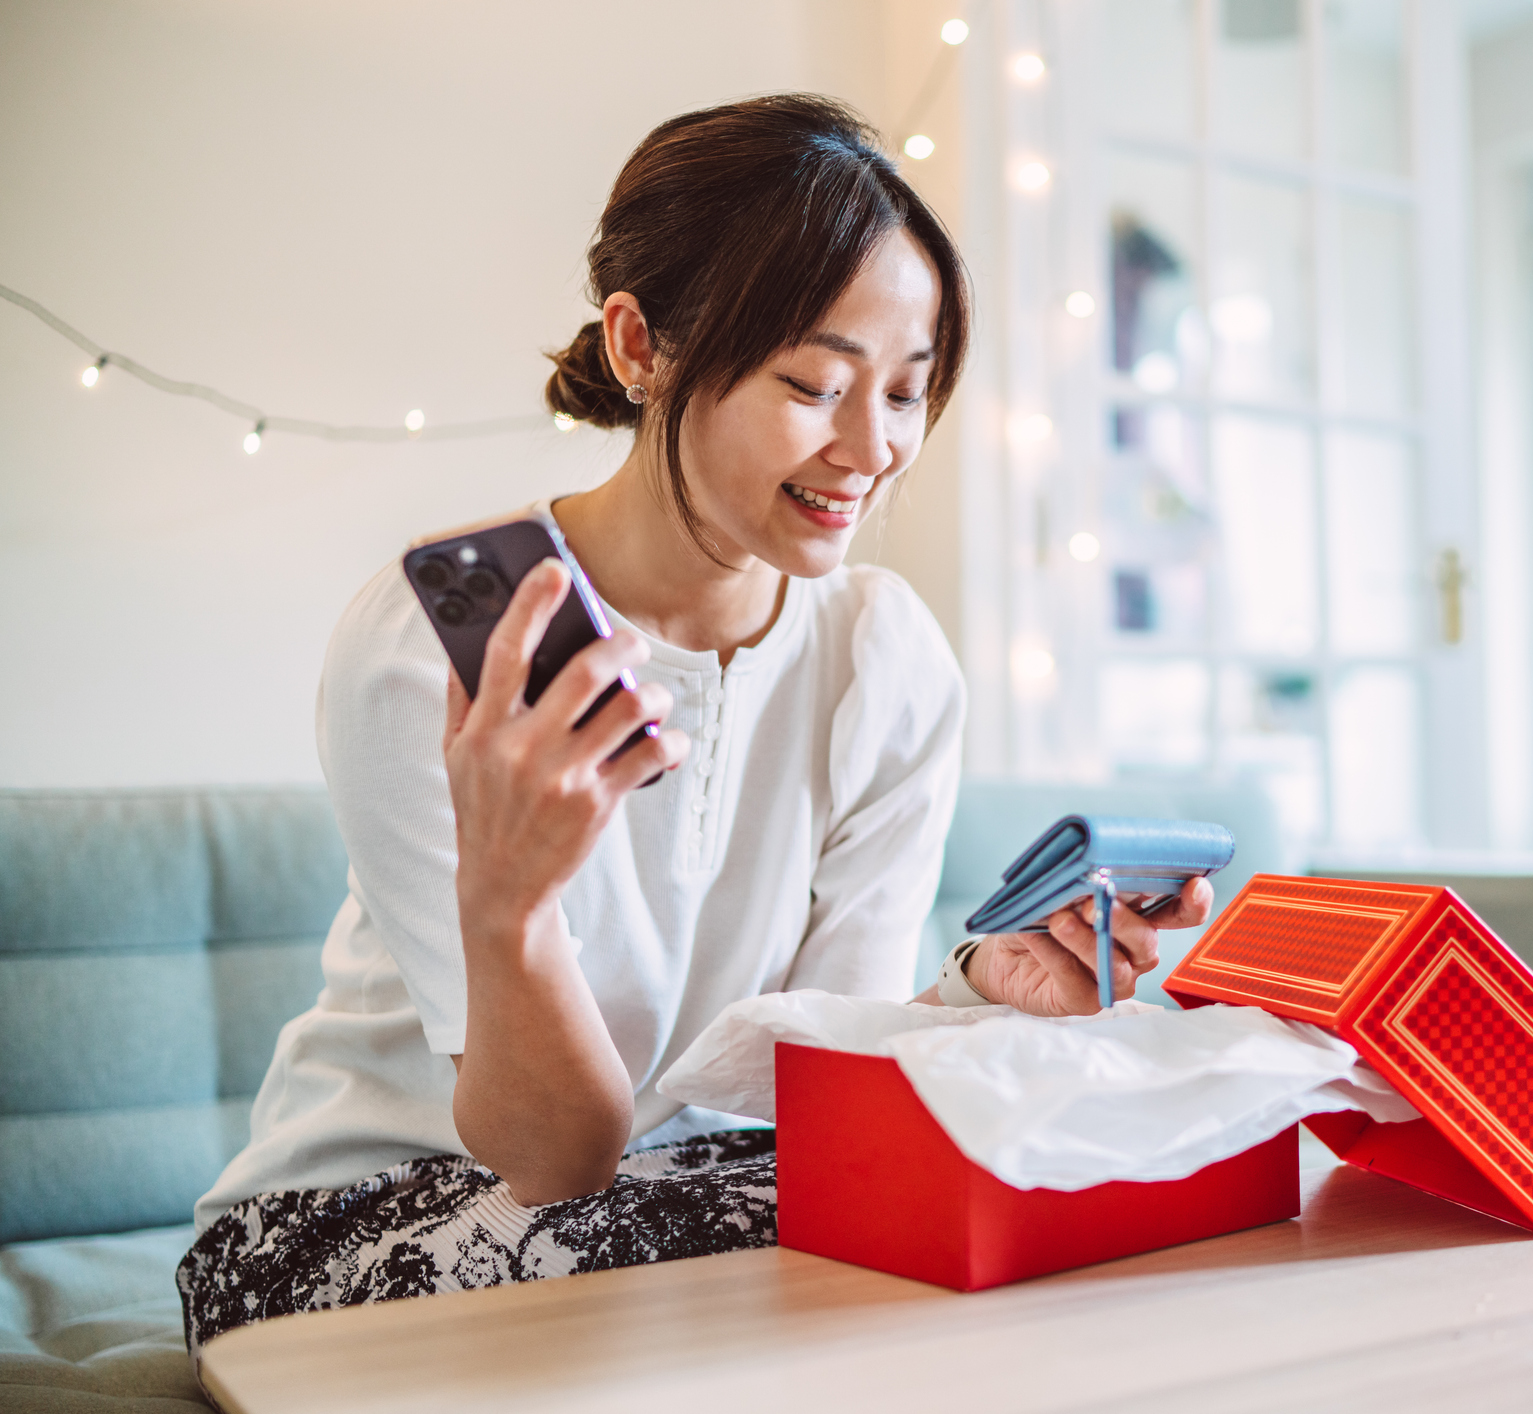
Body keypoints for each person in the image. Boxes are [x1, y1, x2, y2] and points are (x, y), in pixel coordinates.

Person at [177, 94, 1210, 1355]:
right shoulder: (455, 637)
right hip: (344, 1224)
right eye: (815, 384)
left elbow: (823, 1100)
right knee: (826, 1234)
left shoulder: (883, 659)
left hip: (684, 1199)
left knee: (1021, 1172)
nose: (870, 448)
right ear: (640, 346)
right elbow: (558, 1157)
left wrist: (977, 992)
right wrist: (511, 908)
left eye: (905, 391)